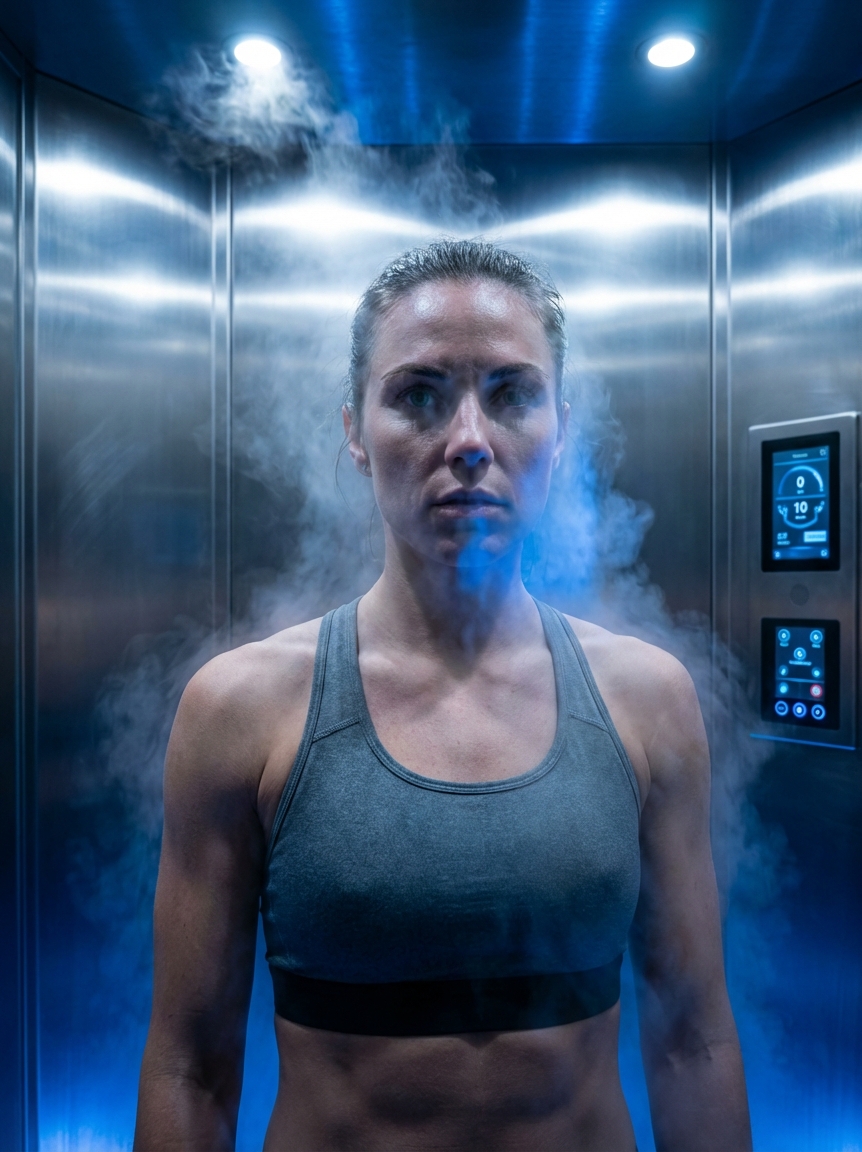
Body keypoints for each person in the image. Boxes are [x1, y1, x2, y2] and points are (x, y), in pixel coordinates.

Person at [134, 240, 751, 1152]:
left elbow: (693, 1043)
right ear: (355, 428)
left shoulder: (647, 700)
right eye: (419, 395)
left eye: (511, 394)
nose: (468, 441)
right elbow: (190, 1064)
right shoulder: (242, 709)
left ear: (560, 427)